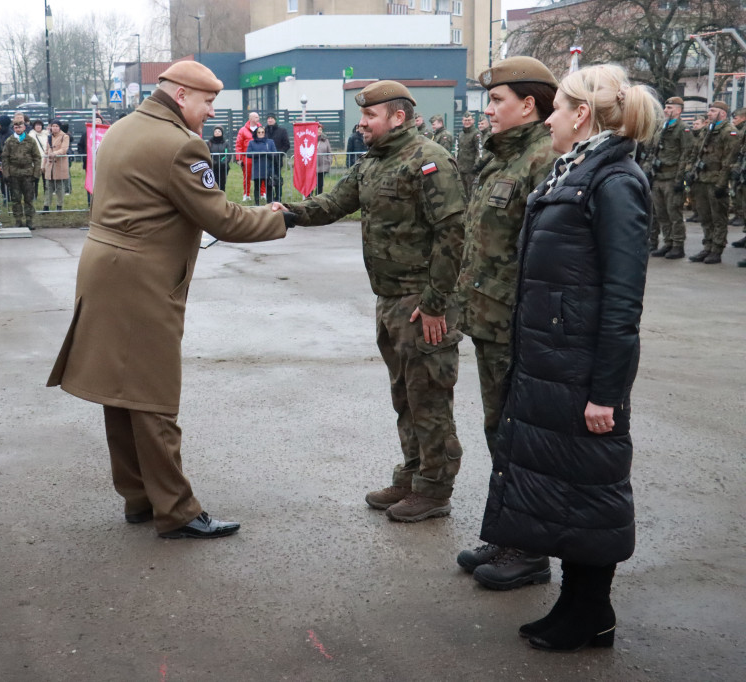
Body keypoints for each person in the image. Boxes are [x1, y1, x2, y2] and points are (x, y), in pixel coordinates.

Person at [46, 61, 291, 540]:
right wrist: (279, 217)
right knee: (153, 395)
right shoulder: (180, 144)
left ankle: (139, 497)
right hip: (141, 280)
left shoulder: (121, 129)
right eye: (207, 102)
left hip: (104, 269)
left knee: (118, 391)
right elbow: (223, 219)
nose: (211, 112)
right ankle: (176, 510)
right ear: (181, 96)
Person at [479, 64, 658, 652]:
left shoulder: (615, 182)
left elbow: (622, 298)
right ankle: (578, 608)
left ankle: (591, 613)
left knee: (592, 491)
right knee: (569, 491)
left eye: (556, 106)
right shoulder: (574, 173)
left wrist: (607, 389)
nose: (549, 116)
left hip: (583, 371)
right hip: (553, 363)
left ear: (581, 114)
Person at [273, 81, 466, 523]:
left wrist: (436, 303)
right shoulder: (374, 163)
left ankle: (435, 489)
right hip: (391, 301)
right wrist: (289, 213)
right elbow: (334, 203)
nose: (361, 125)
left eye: (369, 117)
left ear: (397, 117)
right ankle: (414, 474)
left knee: (430, 399)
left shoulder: (429, 160)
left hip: (423, 303)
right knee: (405, 396)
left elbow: (453, 234)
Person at [452, 56, 560, 590]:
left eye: (497, 100)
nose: (488, 109)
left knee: (523, 439)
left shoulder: (543, 159)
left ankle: (531, 551)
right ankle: (508, 533)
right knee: (500, 432)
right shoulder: (501, 159)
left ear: (529, 105)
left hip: (520, 326)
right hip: (490, 322)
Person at [686, 101, 737, 264]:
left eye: (713, 111)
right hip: (701, 179)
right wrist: (690, 171)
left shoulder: (729, 132)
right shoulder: (707, 130)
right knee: (705, 216)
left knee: (718, 218)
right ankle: (707, 246)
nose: (709, 114)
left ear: (722, 114)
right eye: (709, 111)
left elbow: (729, 160)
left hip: (716, 181)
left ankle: (716, 249)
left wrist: (722, 184)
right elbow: (695, 152)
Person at [647, 97, 691, 260]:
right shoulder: (662, 128)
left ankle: (678, 245)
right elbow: (654, 151)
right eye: (666, 107)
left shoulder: (682, 129)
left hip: (672, 177)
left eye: (670, 108)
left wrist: (680, 179)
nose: (666, 110)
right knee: (661, 213)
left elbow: (686, 155)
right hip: (659, 176)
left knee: (674, 213)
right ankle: (668, 242)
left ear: (679, 111)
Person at [1, 119, 41, 227]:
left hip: (28, 173)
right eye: (16, 127)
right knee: (16, 199)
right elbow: (5, 158)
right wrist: (6, 174)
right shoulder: (9, 141)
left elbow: (37, 157)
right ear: (14, 128)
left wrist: (36, 174)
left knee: (28, 199)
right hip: (14, 173)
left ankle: (29, 220)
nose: (18, 129)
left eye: (20, 127)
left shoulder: (30, 140)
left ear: (24, 128)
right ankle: (18, 220)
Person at [42, 120, 70, 210]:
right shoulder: (49, 137)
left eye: (57, 126)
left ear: (59, 127)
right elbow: (46, 151)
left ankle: (59, 206)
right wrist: (43, 164)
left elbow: (64, 149)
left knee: (59, 187)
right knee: (48, 187)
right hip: (50, 165)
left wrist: (55, 153)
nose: (55, 128)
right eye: (53, 126)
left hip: (60, 164)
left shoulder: (65, 137)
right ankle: (46, 206)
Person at [235, 112, 262, 201]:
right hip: (247, 157)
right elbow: (239, 145)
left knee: (262, 175)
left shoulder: (261, 129)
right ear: (250, 119)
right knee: (247, 176)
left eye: (258, 117)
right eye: (256, 117)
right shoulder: (242, 130)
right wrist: (239, 158)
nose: (258, 118)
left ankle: (263, 193)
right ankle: (246, 194)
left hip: (260, 157)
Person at [247, 125, 277, 205]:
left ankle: (270, 203)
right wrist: (260, 153)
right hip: (257, 168)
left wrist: (267, 153)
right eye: (259, 132)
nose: (261, 134)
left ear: (265, 133)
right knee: (257, 187)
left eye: (262, 132)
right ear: (256, 133)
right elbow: (248, 154)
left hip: (268, 167)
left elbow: (275, 153)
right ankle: (257, 203)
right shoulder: (252, 142)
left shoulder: (270, 142)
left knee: (269, 186)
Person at [265, 114, 290, 202]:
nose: (270, 120)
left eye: (271, 118)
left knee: (277, 178)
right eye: (268, 118)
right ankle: (269, 198)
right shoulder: (263, 131)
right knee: (267, 179)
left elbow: (287, 144)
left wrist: (279, 154)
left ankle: (278, 197)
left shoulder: (282, 131)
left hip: (277, 159)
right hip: (266, 160)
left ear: (275, 120)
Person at [455, 112, 481, 193]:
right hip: (461, 168)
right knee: (463, 192)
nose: (467, 122)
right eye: (465, 120)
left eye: (469, 120)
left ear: (473, 121)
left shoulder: (476, 134)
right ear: (462, 121)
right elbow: (457, 150)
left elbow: (479, 151)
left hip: (471, 169)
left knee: (471, 192)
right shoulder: (460, 135)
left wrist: (476, 166)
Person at [207, 125, 231, 192]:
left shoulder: (225, 143)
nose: (217, 132)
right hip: (213, 167)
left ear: (222, 133)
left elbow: (228, 154)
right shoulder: (209, 143)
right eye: (216, 131)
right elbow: (207, 153)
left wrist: (224, 162)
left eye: (219, 131)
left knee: (222, 184)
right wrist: (212, 161)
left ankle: (222, 198)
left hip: (223, 167)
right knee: (213, 184)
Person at [315, 123, 332, 194]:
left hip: (322, 166)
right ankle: (309, 199)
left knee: (320, 184)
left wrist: (329, 161)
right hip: (312, 167)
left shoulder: (325, 140)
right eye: (317, 129)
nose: (319, 131)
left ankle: (318, 199)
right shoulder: (310, 139)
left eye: (320, 130)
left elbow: (329, 151)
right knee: (311, 185)